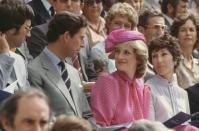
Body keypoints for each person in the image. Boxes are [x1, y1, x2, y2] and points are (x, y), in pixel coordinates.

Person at [28, 12, 96, 127]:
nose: (83, 45)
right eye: (81, 38)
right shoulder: (33, 71)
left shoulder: (74, 73)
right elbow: (40, 121)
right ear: (66, 36)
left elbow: (87, 115)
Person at [91, 29, 151, 127]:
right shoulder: (107, 82)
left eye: (126, 53)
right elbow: (100, 127)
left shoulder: (141, 86)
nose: (119, 57)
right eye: (117, 51)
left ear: (139, 59)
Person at [146, 34, 190, 122]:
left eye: (164, 54)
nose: (159, 60)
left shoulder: (183, 94)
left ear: (175, 58)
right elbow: (149, 127)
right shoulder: (148, 89)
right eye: (154, 56)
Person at [90, 2, 138, 79]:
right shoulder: (98, 51)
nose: (122, 29)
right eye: (117, 23)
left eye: (127, 26)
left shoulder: (134, 51)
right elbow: (105, 83)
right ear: (108, 24)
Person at [0, 0, 33, 89]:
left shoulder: (19, 60)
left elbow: (27, 96)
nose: (29, 34)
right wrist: (5, 56)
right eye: (27, 28)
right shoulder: (7, 57)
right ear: (12, 28)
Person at [170, 12, 199, 89]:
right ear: (176, 35)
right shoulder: (172, 63)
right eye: (183, 30)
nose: (188, 33)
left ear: (197, 36)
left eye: (191, 30)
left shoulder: (197, 62)